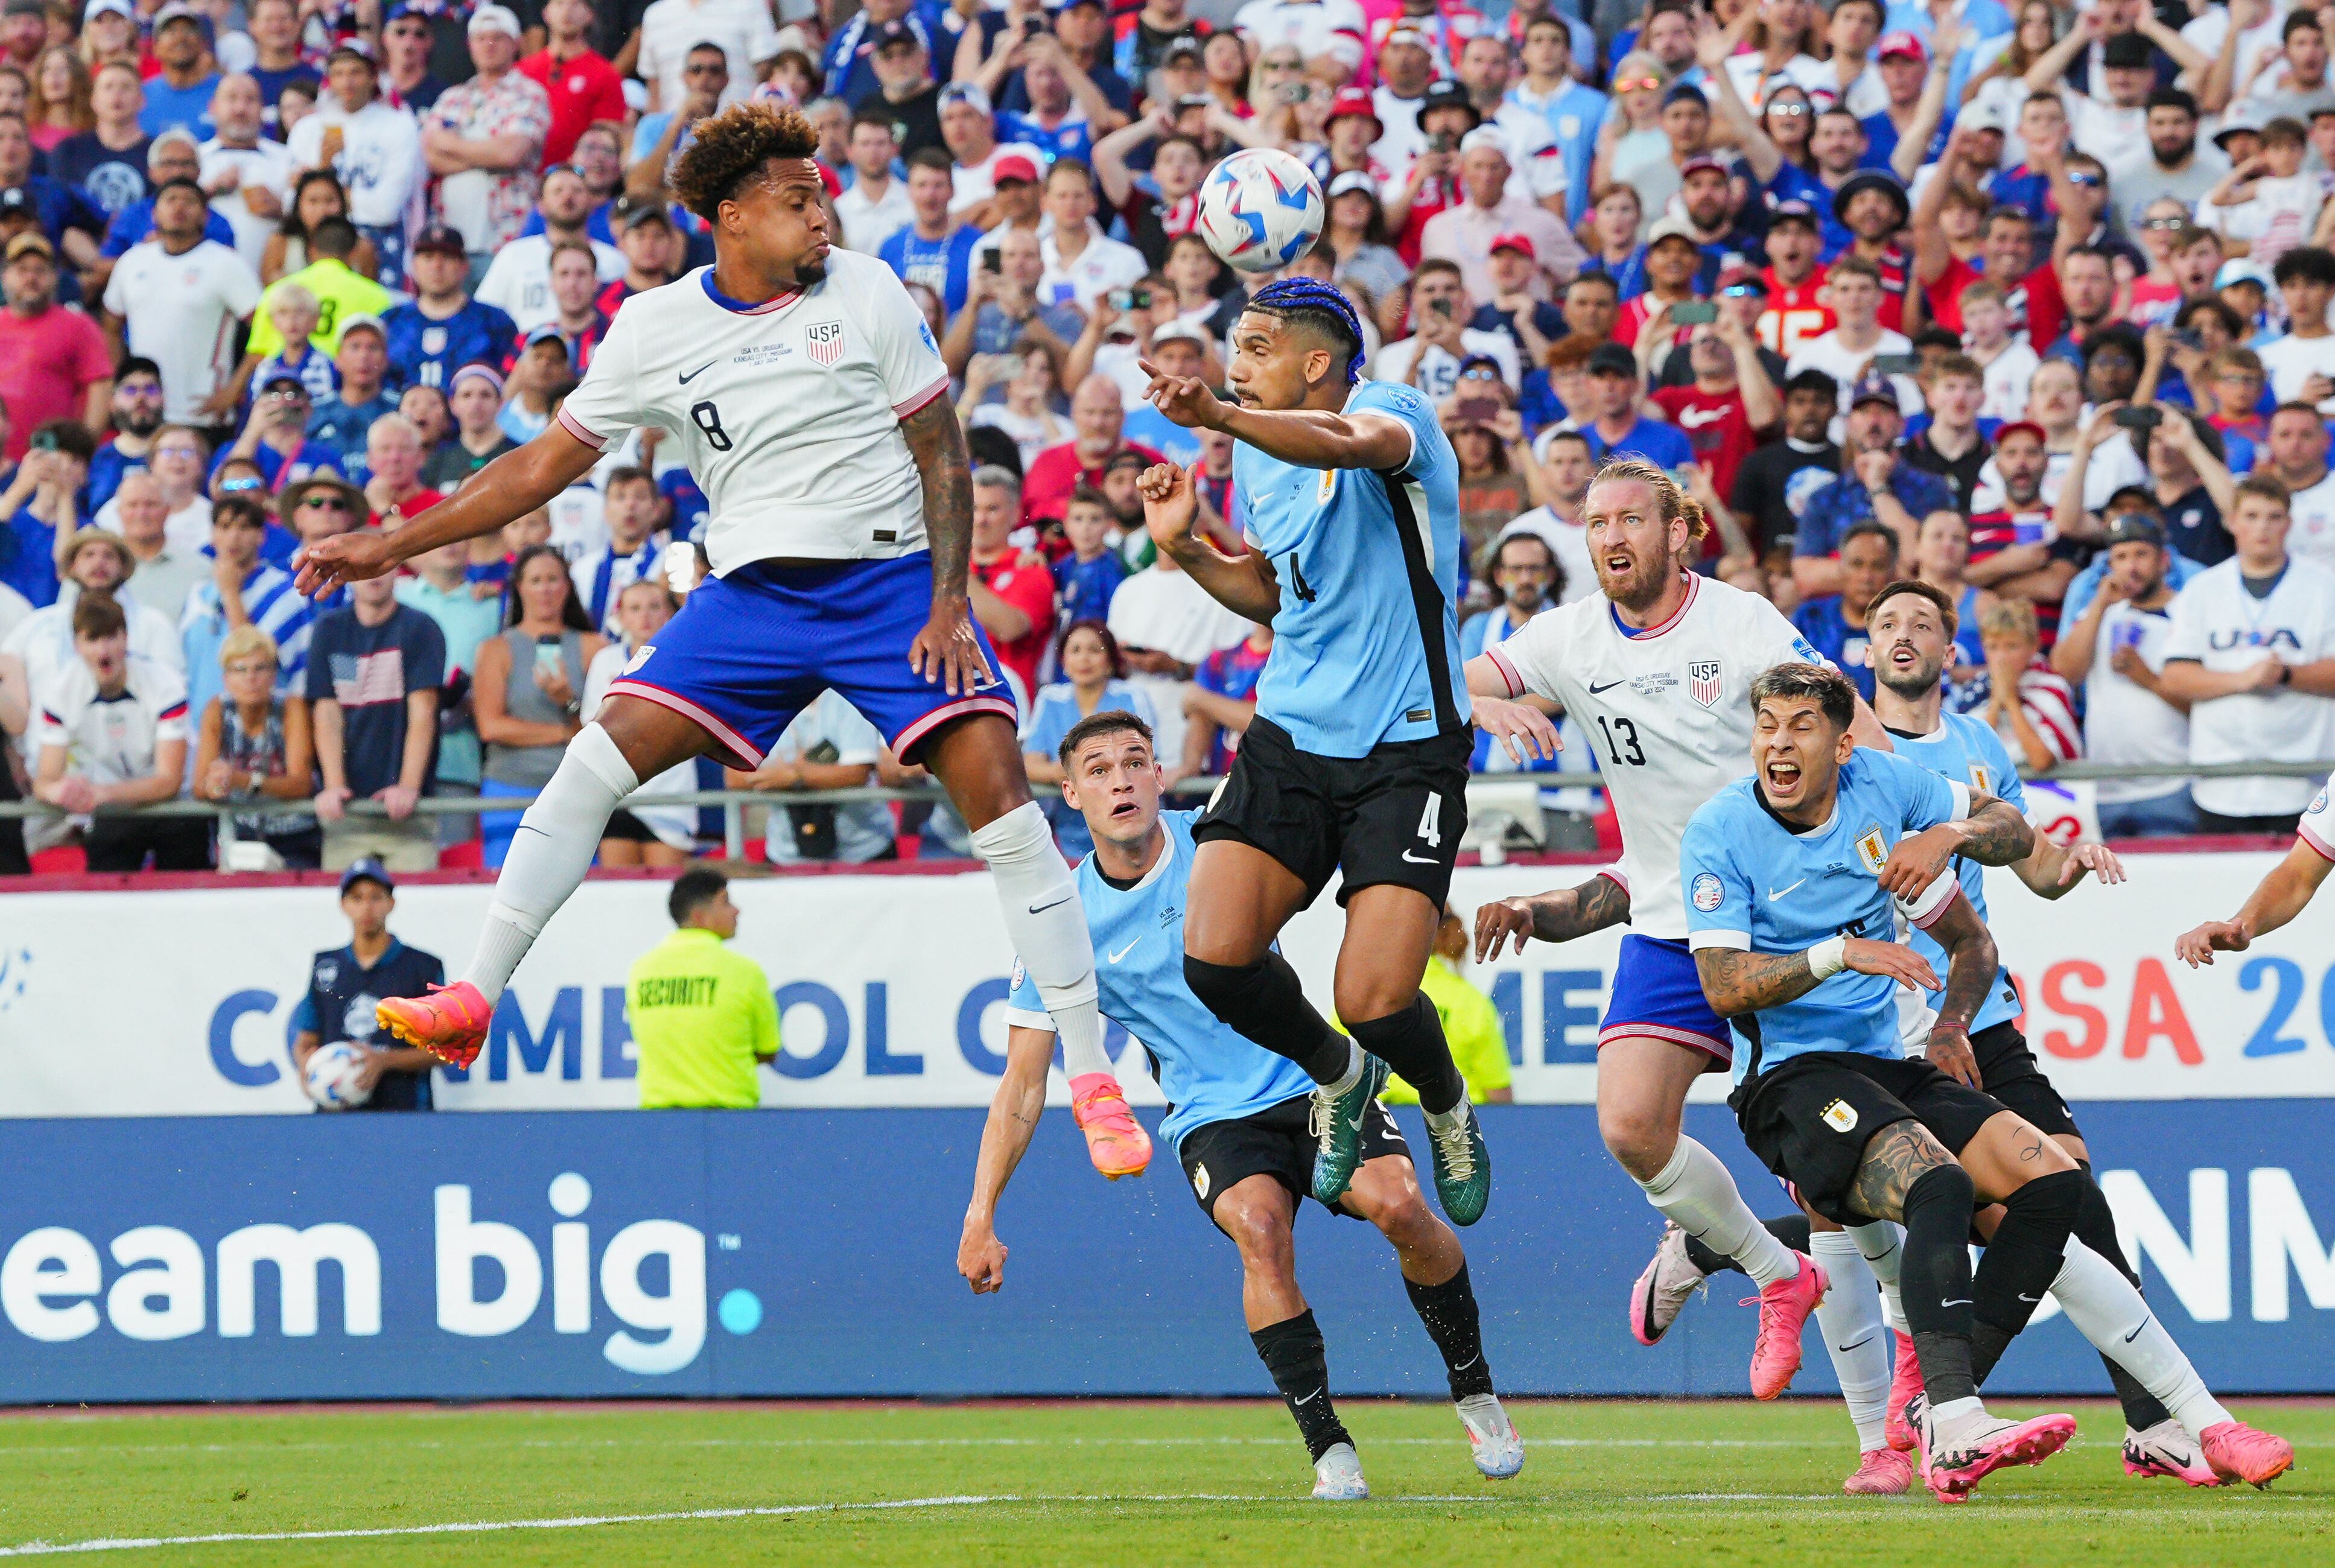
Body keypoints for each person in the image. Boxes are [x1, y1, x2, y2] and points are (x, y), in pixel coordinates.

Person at [296, 102, 1144, 1181]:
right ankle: (475, 994)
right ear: (733, 216)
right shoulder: (653, 327)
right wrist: (390, 541)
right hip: (750, 598)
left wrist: (947, 604)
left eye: (823, 199)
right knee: (592, 761)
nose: (822, 218)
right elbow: (535, 468)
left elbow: (942, 453)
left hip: (892, 587)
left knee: (1007, 808)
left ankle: (1091, 1072)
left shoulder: (868, 291)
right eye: (798, 201)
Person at [959, 709, 1524, 1502]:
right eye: (1100, 769)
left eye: (1136, 761)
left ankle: (1473, 1386)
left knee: (1401, 1207)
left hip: (1316, 1077)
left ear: (1161, 775)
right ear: (1072, 793)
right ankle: (1328, 1445)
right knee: (1260, 1233)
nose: (1122, 780)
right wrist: (980, 1213)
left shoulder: (1217, 841)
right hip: (1212, 1116)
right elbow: (1023, 1081)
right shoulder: (1060, 917)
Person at [1461, 460, 1916, 1398]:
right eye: (1595, 523)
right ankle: (1771, 1271)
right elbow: (1444, 677)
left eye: (1630, 519)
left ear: (1678, 531)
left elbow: (1854, 727)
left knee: (1834, 1182)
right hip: (1672, 915)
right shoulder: (1567, 636)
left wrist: (1889, 840)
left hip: (1790, 914)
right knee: (1630, 1125)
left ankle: (1902, 1400)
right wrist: (1480, 698)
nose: (1610, 537)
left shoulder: (1739, 622)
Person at [1134, 276, 1492, 1227]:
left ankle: (1445, 1101)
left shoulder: (1394, 412)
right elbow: (1277, 590)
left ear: (1316, 363)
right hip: (1290, 735)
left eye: (1256, 349)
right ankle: (1338, 1074)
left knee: (1374, 1000)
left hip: (1407, 747)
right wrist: (1188, 548)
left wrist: (1217, 416)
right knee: (1214, 961)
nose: (1235, 367)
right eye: (1234, 349)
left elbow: (1345, 443)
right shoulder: (1257, 457)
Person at [2157, 474, 2335, 834]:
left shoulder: (2324, 586)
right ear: (2232, 522)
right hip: (2221, 783)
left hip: (2304, 782)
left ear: (2289, 523)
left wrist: (2286, 675)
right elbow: (2175, 677)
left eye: (2274, 517)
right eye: (2251, 516)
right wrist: (2243, 679)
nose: (2262, 527)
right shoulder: (2202, 589)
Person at [31, 592, 201, 870]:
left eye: (110, 637)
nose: (103, 651)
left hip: (174, 806)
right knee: (105, 867)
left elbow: (168, 782)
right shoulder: (60, 694)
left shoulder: (164, 685)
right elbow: (45, 781)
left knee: (185, 844)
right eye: (92, 639)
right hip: (113, 810)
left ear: (126, 638)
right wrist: (60, 792)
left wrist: (101, 793)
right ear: (76, 646)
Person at [2051, 514, 2197, 836]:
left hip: (2172, 784)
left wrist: (2149, 680)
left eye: (2141, 555)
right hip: (2106, 788)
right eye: (2121, 557)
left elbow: (2205, 707)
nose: (2131, 567)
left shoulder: (2189, 614)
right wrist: (2100, 603)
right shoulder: (2100, 614)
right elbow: (2065, 672)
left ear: (2164, 560)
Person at [306, 563, 445, 872]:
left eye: (381, 566)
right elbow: (327, 715)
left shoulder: (420, 628)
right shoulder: (329, 630)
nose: (373, 575)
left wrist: (408, 786)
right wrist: (334, 785)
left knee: (417, 899)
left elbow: (423, 714)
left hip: (410, 816)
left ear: (397, 570)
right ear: (345, 575)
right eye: (363, 568)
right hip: (348, 814)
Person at [99, 177, 259, 427]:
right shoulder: (131, 261)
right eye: (171, 200)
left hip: (202, 414)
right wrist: (120, 384)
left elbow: (266, 328)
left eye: (190, 201)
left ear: (205, 216)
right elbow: (111, 324)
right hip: (144, 412)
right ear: (154, 214)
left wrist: (233, 391)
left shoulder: (227, 264)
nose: (179, 207)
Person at [289, 859, 446, 1112]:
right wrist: (307, 1064)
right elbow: (306, 1040)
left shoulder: (422, 967)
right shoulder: (326, 967)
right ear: (343, 905)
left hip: (404, 1112)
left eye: (376, 897)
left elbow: (443, 1050)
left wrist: (385, 1060)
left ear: (391, 903)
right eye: (357, 898)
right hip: (336, 1114)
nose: (367, 908)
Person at [626, 866, 781, 1109]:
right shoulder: (745, 972)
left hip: (658, 1118)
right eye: (726, 902)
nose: (736, 910)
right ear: (699, 917)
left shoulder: (641, 971)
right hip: (731, 1116)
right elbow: (768, 1050)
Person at [284, 39, 422, 287]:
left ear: (373, 77)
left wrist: (318, 189)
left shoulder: (398, 125)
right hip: (317, 245)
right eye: (338, 74)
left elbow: (386, 209)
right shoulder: (307, 128)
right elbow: (290, 205)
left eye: (355, 72)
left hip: (381, 246)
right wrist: (324, 167)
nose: (346, 82)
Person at [422, 7, 553, 265]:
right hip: (450, 241)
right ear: (470, 45)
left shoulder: (530, 94)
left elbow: (511, 154)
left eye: (498, 38)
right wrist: (490, 153)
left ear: (516, 44)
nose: (489, 45)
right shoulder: (452, 97)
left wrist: (451, 144)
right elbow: (429, 156)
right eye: (481, 39)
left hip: (506, 237)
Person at [580, 578, 693, 867]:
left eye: (654, 607)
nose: (645, 616)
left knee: (666, 886)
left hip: (670, 793)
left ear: (668, 613)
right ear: (621, 617)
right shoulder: (605, 661)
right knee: (619, 888)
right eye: (635, 608)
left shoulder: (686, 658)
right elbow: (593, 724)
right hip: (617, 792)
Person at [1021, 617, 1155, 857]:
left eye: (1094, 650)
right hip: (1066, 828)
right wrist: (1071, 773)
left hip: (1129, 822)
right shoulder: (1050, 698)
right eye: (1075, 650)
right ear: (1063, 661)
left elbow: (1147, 758)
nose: (1084, 658)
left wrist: (1081, 773)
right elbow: (1030, 765)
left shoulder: (1132, 696)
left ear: (1110, 660)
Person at [191, 621, 317, 867]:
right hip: (241, 835)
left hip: (295, 835)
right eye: (240, 669)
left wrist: (243, 781)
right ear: (225, 678)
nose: (251, 678)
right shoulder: (217, 710)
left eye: (260, 668)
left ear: (273, 675)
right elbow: (200, 786)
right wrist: (216, 786)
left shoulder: (291, 708)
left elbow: (302, 784)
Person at [1381, 903, 1512, 1108]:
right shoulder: (1471, 1000)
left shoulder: (1370, 994)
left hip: (1384, 1119)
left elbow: (1342, 1071)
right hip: (1458, 1119)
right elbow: (1498, 1093)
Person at [0, 232, 110, 450]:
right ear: (5, 276)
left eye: (40, 270)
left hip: (52, 454)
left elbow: (101, 386)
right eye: (22, 270)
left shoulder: (78, 325)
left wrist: (84, 449)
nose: (31, 278)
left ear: (55, 277)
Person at [383, 226, 521, 395]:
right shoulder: (391, 321)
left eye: (447, 258)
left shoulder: (495, 322)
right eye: (428, 258)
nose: (437, 266)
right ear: (414, 266)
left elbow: (513, 381)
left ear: (464, 266)